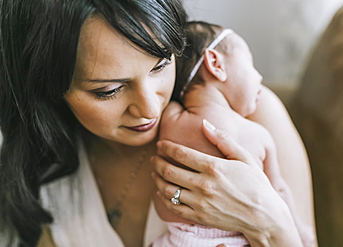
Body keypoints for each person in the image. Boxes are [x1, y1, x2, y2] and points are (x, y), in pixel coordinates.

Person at [0, 1, 315, 247]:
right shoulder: (36, 168)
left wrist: (268, 221)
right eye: (108, 90)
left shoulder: (250, 113)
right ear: (47, 88)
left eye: (161, 65)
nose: (150, 108)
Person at [153, 21, 315, 247]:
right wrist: (301, 232)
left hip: (177, 240)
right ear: (215, 64)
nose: (259, 77)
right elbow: (279, 193)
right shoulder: (258, 134)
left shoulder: (170, 118)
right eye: (250, 64)